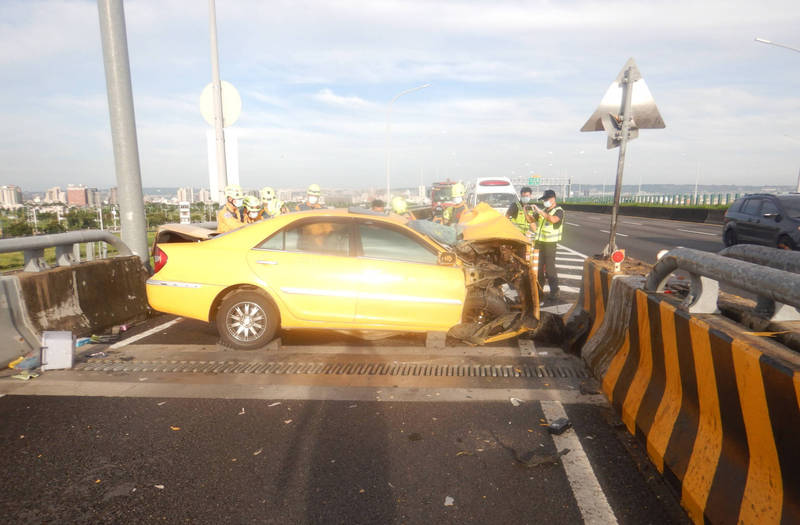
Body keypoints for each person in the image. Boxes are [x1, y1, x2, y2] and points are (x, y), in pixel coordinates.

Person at [530, 189, 565, 304]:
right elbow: (530, 220)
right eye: (543, 200)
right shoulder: (544, 210)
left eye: (546, 199)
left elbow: (553, 219)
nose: (544, 201)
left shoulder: (558, 211)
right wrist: (527, 211)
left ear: (553, 199)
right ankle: (539, 292)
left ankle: (554, 291)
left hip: (550, 243)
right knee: (538, 269)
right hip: (539, 242)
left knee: (550, 269)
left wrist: (540, 212)